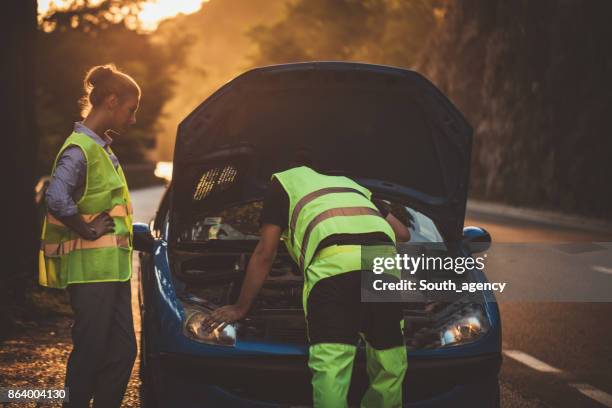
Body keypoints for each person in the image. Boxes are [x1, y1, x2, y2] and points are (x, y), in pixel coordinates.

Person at [204, 160, 411, 407]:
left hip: (334, 268)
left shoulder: (284, 181)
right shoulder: (351, 185)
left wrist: (240, 307)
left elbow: (265, 252)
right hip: (381, 265)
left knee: (332, 367)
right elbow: (402, 234)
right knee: (389, 361)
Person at [39, 64, 140, 408]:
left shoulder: (102, 149)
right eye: (131, 109)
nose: (133, 118)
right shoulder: (79, 148)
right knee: (91, 352)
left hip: (112, 271)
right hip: (91, 272)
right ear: (112, 101)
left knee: (124, 350)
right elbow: (55, 198)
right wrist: (87, 229)